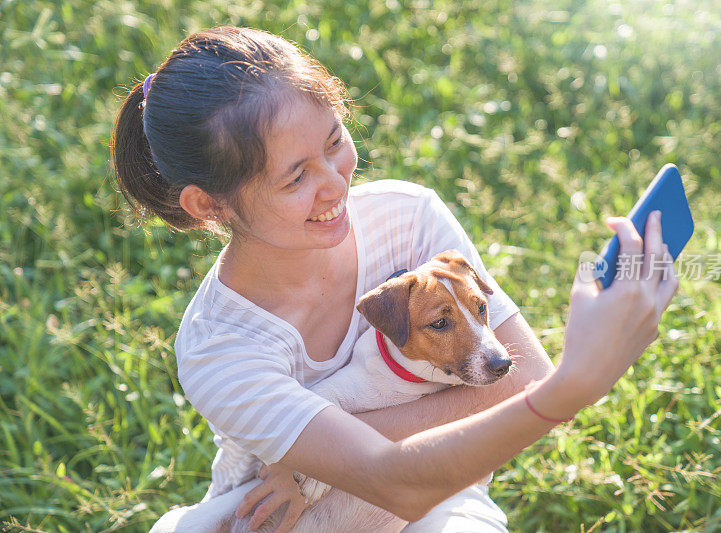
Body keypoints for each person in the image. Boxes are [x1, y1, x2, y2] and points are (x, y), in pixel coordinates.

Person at [111, 26, 679, 532]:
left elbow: (518, 376)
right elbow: (393, 476)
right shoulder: (221, 346)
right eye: (295, 178)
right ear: (209, 205)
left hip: (444, 492)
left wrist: (309, 462)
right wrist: (570, 388)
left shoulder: (408, 218)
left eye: (335, 142)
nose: (335, 185)